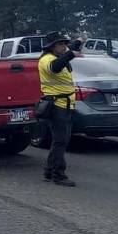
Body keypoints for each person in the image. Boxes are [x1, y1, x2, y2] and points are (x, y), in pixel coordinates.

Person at [38, 31, 78, 187]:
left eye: (65, 44)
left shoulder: (58, 58)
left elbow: (64, 63)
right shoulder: (46, 59)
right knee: (60, 141)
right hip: (56, 106)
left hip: (66, 105)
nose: (64, 47)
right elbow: (55, 68)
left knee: (60, 140)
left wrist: (73, 48)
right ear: (51, 46)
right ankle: (58, 175)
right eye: (60, 44)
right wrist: (71, 54)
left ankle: (49, 169)